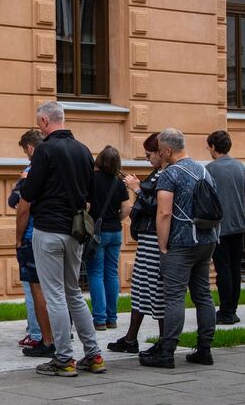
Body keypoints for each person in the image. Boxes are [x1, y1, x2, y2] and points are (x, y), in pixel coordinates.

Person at [20, 101, 105, 377]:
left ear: (45, 121)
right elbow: (92, 194)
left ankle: (64, 358)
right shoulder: (82, 150)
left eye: (39, 123)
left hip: (48, 230)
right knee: (74, 294)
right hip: (75, 231)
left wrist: (24, 182)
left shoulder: (45, 150)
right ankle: (93, 355)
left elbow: (29, 193)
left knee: (54, 294)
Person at [140, 128, 217, 369]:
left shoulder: (169, 174)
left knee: (174, 297)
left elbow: (164, 213)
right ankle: (205, 349)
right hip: (206, 241)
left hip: (181, 244)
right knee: (203, 294)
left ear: (167, 150)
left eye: (160, 149)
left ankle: (166, 352)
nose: (159, 153)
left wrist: (163, 246)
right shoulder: (204, 169)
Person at [108, 133, 166, 355]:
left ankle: (164, 341)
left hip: (155, 238)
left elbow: (158, 206)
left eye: (149, 154)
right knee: (140, 288)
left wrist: (137, 188)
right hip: (147, 237)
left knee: (156, 289)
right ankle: (131, 338)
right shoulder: (157, 173)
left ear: (161, 152)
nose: (147, 158)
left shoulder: (168, 174)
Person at [10, 130, 54, 357]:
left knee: (33, 288)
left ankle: (39, 334)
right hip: (55, 234)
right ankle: (58, 332)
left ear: (29, 149)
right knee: (59, 289)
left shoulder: (30, 172)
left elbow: (19, 205)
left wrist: (18, 238)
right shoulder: (56, 170)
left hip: (31, 236)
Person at [206, 130, 245, 325]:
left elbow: (205, 199)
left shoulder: (210, 169)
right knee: (235, 269)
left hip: (220, 227)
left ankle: (225, 311)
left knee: (223, 269)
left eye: (209, 147)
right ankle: (232, 309)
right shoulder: (241, 167)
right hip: (239, 225)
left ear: (214, 147)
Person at [86, 146, 132, 331]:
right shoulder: (118, 182)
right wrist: (116, 219)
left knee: (96, 273)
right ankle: (111, 318)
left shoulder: (91, 180)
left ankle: (99, 319)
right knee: (111, 273)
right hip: (115, 232)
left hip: (97, 233)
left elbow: (87, 206)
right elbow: (127, 208)